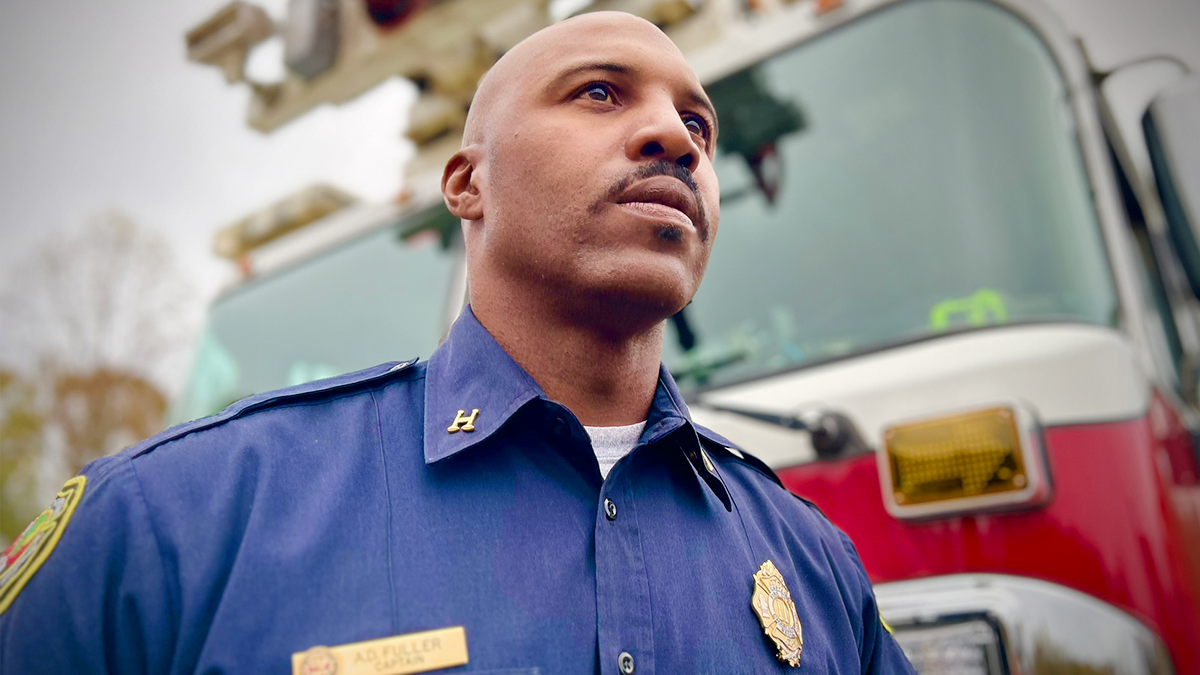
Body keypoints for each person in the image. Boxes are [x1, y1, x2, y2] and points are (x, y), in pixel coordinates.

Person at [0, 11, 915, 674]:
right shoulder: (169, 529)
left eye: (700, 126)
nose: (673, 137)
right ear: (467, 182)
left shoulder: (817, 566)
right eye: (600, 92)